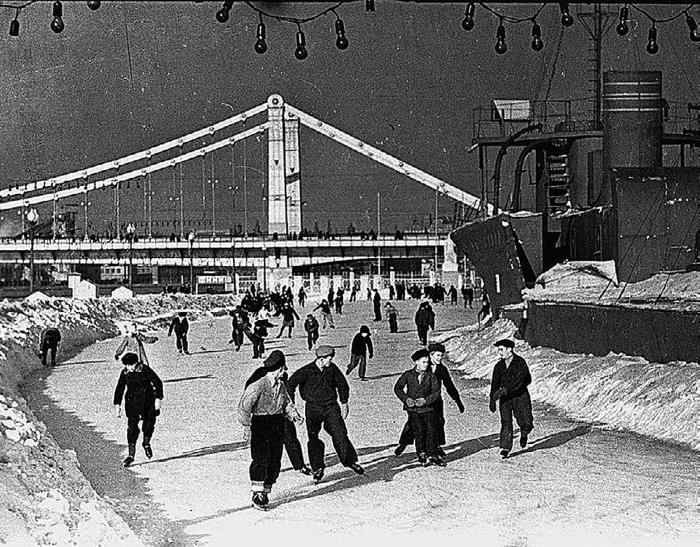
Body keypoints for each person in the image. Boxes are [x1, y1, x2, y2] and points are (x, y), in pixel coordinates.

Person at [287, 345, 364, 483]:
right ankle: (317, 468)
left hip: (331, 407)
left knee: (340, 432)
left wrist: (344, 402)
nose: (331, 360)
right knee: (313, 437)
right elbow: (291, 384)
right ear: (321, 359)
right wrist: (292, 405)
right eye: (328, 358)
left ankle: (350, 461)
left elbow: (342, 384)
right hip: (313, 408)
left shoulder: (332, 369)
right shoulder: (306, 371)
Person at [238, 350, 304, 510]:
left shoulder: (280, 385)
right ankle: (257, 493)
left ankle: (266, 490)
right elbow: (244, 406)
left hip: (277, 423)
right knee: (261, 457)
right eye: (283, 369)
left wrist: (294, 414)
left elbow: (286, 402)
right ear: (279, 369)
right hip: (261, 423)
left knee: (275, 459)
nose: (284, 372)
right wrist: (247, 426)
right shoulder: (259, 384)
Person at [394, 342, 465, 457]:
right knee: (414, 424)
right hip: (419, 403)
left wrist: (458, 400)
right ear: (430, 356)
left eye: (441, 355)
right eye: (437, 355)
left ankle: (436, 446)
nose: (440, 358)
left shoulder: (442, 369)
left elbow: (449, 385)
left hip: (436, 401)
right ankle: (403, 444)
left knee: (439, 422)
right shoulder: (424, 365)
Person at [393, 348, 444, 467]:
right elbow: (398, 388)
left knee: (431, 430)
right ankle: (421, 453)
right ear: (416, 362)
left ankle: (432, 454)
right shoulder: (408, 375)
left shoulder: (431, 376)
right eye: (423, 362)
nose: (426, 365)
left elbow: (436, 392)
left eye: (427, 362)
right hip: (413, 409)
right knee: (419, 430)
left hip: (428, 408)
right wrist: (406, 399)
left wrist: (425, 400)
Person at [113, 352, 163, 467]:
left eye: (130, 365)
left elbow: (157, 382)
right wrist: (117, 405)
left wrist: (158, 399)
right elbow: (120, 388)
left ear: (135, 363)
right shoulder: (125, 372)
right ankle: (131, 455)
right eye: (126, 366)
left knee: (149, 425)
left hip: (147, 402)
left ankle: (146, 443)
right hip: (132, 403)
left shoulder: (144, 369)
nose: (128, 368)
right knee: (132, 428)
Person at [489, 339, 534, 459]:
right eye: (499, 350)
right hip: (505, 399)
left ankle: (524, 432)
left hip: (520, 396)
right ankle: (505, 447)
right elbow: (495, 384)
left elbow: (525, 380)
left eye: (501, 349)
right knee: (506, 422)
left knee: (526, 421)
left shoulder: (520, 362)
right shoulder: (499, 366)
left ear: (509, 349)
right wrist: (492, 400)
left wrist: (506, 389)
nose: (500, 352)